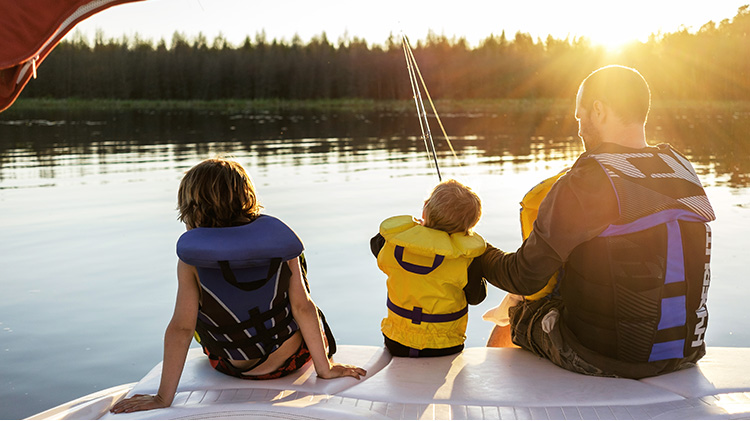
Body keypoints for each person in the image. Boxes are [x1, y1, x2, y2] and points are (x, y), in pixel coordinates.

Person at [476, 65, 715, 379]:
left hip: (609, 359)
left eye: (580, 117)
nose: (579, 129)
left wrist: (478, 252)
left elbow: (523, 276)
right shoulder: (681, 167)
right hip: (686, 354)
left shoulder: (588, 178)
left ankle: (493, 391)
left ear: (599, 110)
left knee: (522, 306)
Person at [111, 158, 366, 414]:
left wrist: (163, 398)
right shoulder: (281, 246)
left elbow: (182, 328)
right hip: (290, 362)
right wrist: (325, 369)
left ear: (190, 207)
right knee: (303, 298)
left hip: (229, 366)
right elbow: (303, 308)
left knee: (198, 309)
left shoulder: (192, 262)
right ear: (247, 197)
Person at [370, 179, 487, 357]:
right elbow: (477, 297)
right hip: (445, 346)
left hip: (396, 341)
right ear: (469, 227)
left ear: (425, 208)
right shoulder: (466, 259)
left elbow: (375, 244)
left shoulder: (392, 244)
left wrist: (416, 231)